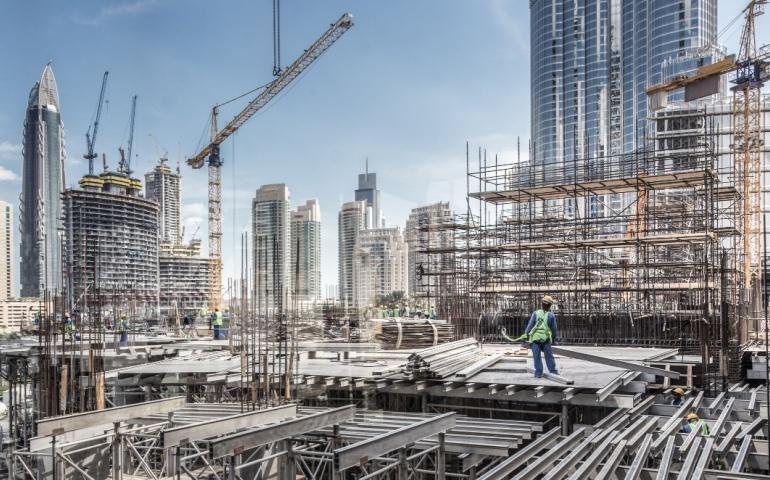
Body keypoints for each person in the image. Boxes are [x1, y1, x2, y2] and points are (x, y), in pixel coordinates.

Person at [501, 295, 558, 378]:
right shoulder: (551, 316)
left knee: (536, 357)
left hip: (535, 339)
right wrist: (553, 339)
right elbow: (554, 329)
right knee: (549, 356)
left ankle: (538, 373)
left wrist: (525, 335)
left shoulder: (536, 313)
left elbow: (530, 326)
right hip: (545, 339)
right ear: (550, 305)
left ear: (542, 304)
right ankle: (553, 371)